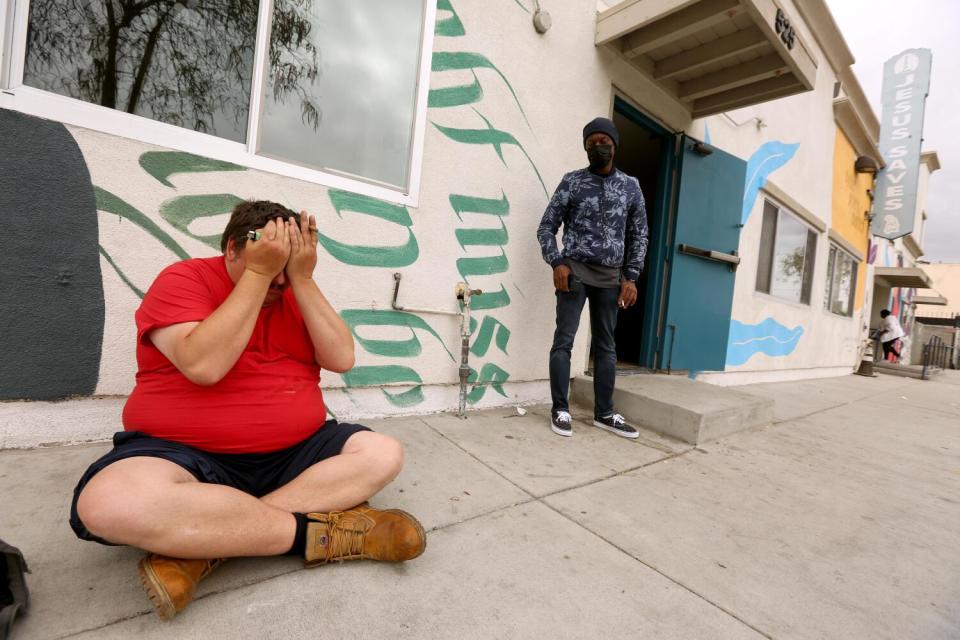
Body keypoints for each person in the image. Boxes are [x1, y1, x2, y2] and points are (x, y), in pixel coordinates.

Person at [69, 201, 425, 620]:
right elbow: (204, 366)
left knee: (383, 452)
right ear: (233, 250)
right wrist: (256, 277)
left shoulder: (295, 287)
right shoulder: (184, 279)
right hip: (185, 453)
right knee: (108, 504)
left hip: (294, 452)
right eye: (265, 261)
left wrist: (303, 280)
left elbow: (342, 358)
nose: (278, 279)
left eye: (285, 264)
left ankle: (206, 548)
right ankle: (321, 535)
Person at [536, 117, 649, 439]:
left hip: (612, 277)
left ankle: (605, 413)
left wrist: (631, 276)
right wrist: (557, 262)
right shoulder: (572, 181)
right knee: (564, 340)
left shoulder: (631, 186)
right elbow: (547, 226)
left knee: (606, 346)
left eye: (604, 141)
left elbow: (639, 234)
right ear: (585, 146)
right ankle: (560, 409)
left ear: (614, 145)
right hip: (575, 272)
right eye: (591, 142)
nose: (597, 147)